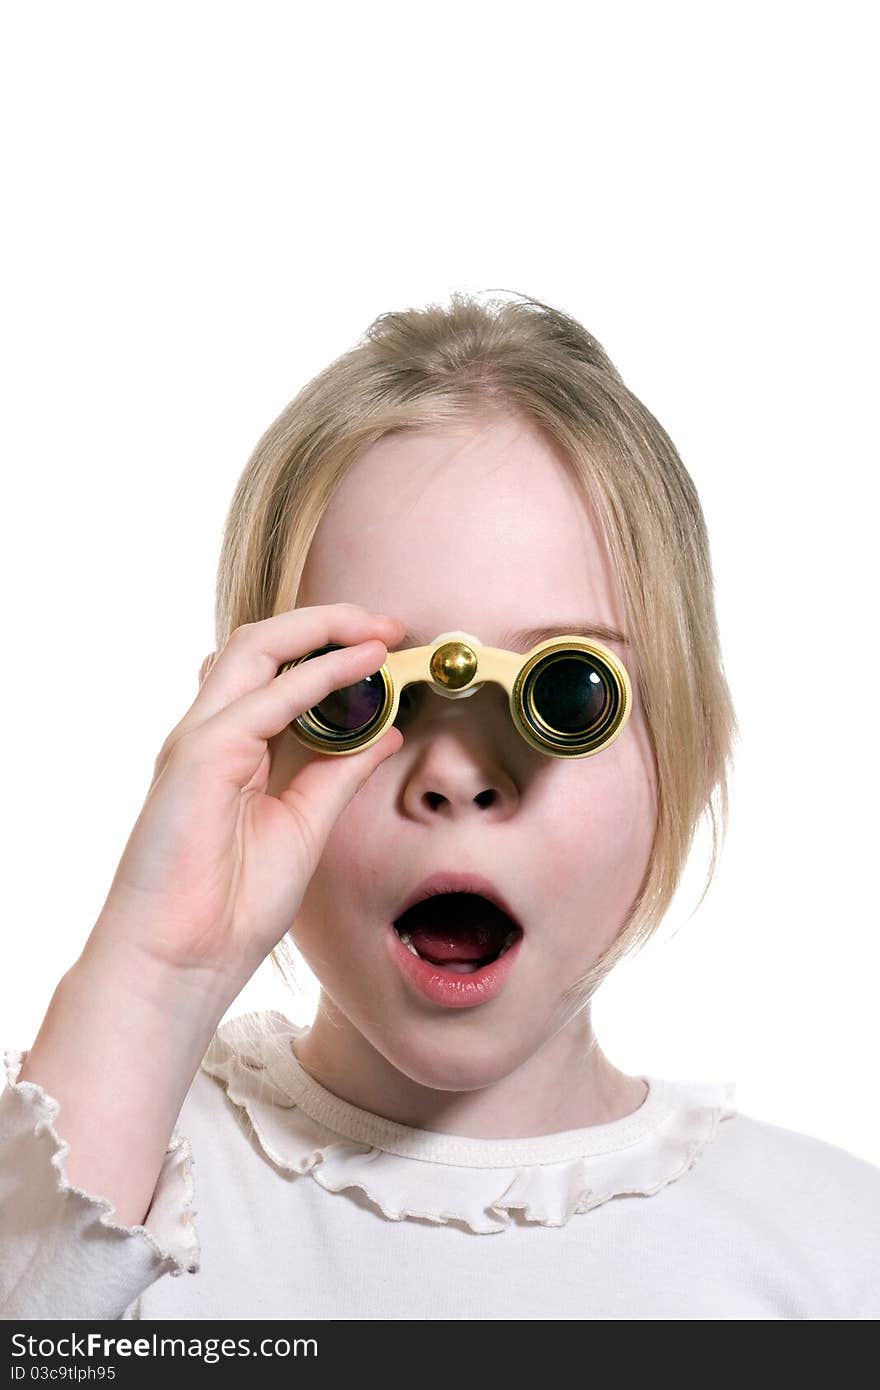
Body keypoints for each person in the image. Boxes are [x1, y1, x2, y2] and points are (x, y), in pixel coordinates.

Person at [2, 291, 877, 1322]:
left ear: (689, 747)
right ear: (251, 742)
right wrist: (157, 971)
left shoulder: (831, 1251)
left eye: (564, 694)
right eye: (355, 694)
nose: (457, 773)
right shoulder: (106, 1181)